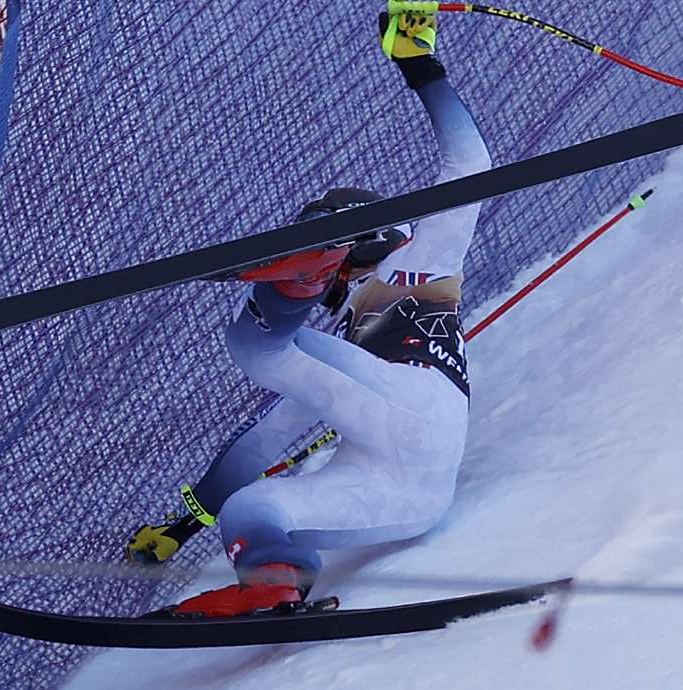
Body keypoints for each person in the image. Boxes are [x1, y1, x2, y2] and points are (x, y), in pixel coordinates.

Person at [132, 8, 492, 617]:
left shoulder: (422, 261)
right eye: (317, 262)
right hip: (414, 495)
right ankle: (273, 591)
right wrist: (188, 525)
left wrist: (419, 66)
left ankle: (295, 277)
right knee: (257, 513)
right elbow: (264, 440)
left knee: (261, 349)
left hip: (418, 408)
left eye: (326, 258)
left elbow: (471, 168)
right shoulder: (343, 351)